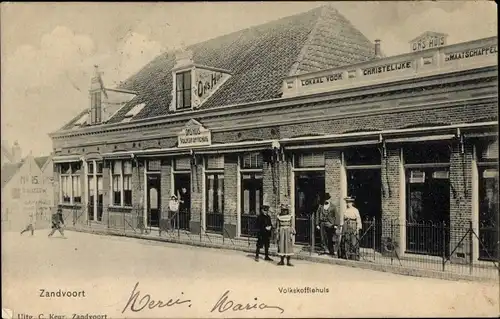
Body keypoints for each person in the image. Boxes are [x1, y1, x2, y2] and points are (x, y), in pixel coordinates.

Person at [340, 196, 362, 260]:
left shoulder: (355, 210)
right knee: (346, 240)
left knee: (354, 241)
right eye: (347, 202)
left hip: (353, 225)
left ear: (352, 203)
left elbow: (358, 219)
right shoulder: (346, 210)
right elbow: (343, 219)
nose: (347, 204)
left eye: (349, 202)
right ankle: (347, 255)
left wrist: (358, 228)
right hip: (346, 226)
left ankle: (354, 256)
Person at [255, 195, 273, 262]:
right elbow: (257, 226)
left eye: (267, 210)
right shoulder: (260, 217)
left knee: (267, 245)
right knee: (259, 245)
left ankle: (266, 256)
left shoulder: (268, 217)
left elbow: (270, 223)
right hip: (261, 233)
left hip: (267, 233)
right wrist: (264, 228)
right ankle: (257, 256)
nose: (266, 212)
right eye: (264, 210)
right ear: (262, 210)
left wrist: (270, 227)